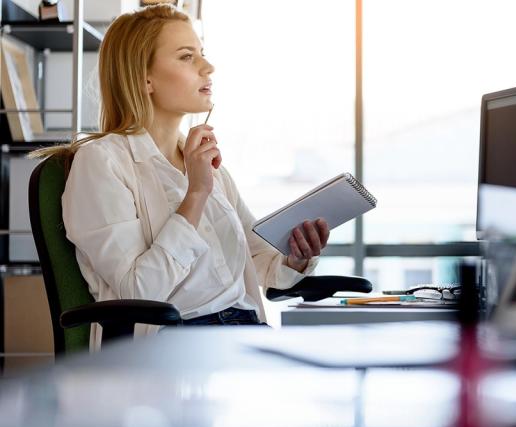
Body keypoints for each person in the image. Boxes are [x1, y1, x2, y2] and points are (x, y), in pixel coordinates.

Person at [31, 4, 328, 347]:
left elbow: (260, 261)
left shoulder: (203, 162)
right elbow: (139, 291)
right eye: (187, 57)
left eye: (202, 53)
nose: (208, 67)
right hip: (173, 344)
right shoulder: (101, 162)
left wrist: (297, 256)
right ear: (145, 79)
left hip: (244, 331)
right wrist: (196, 195)